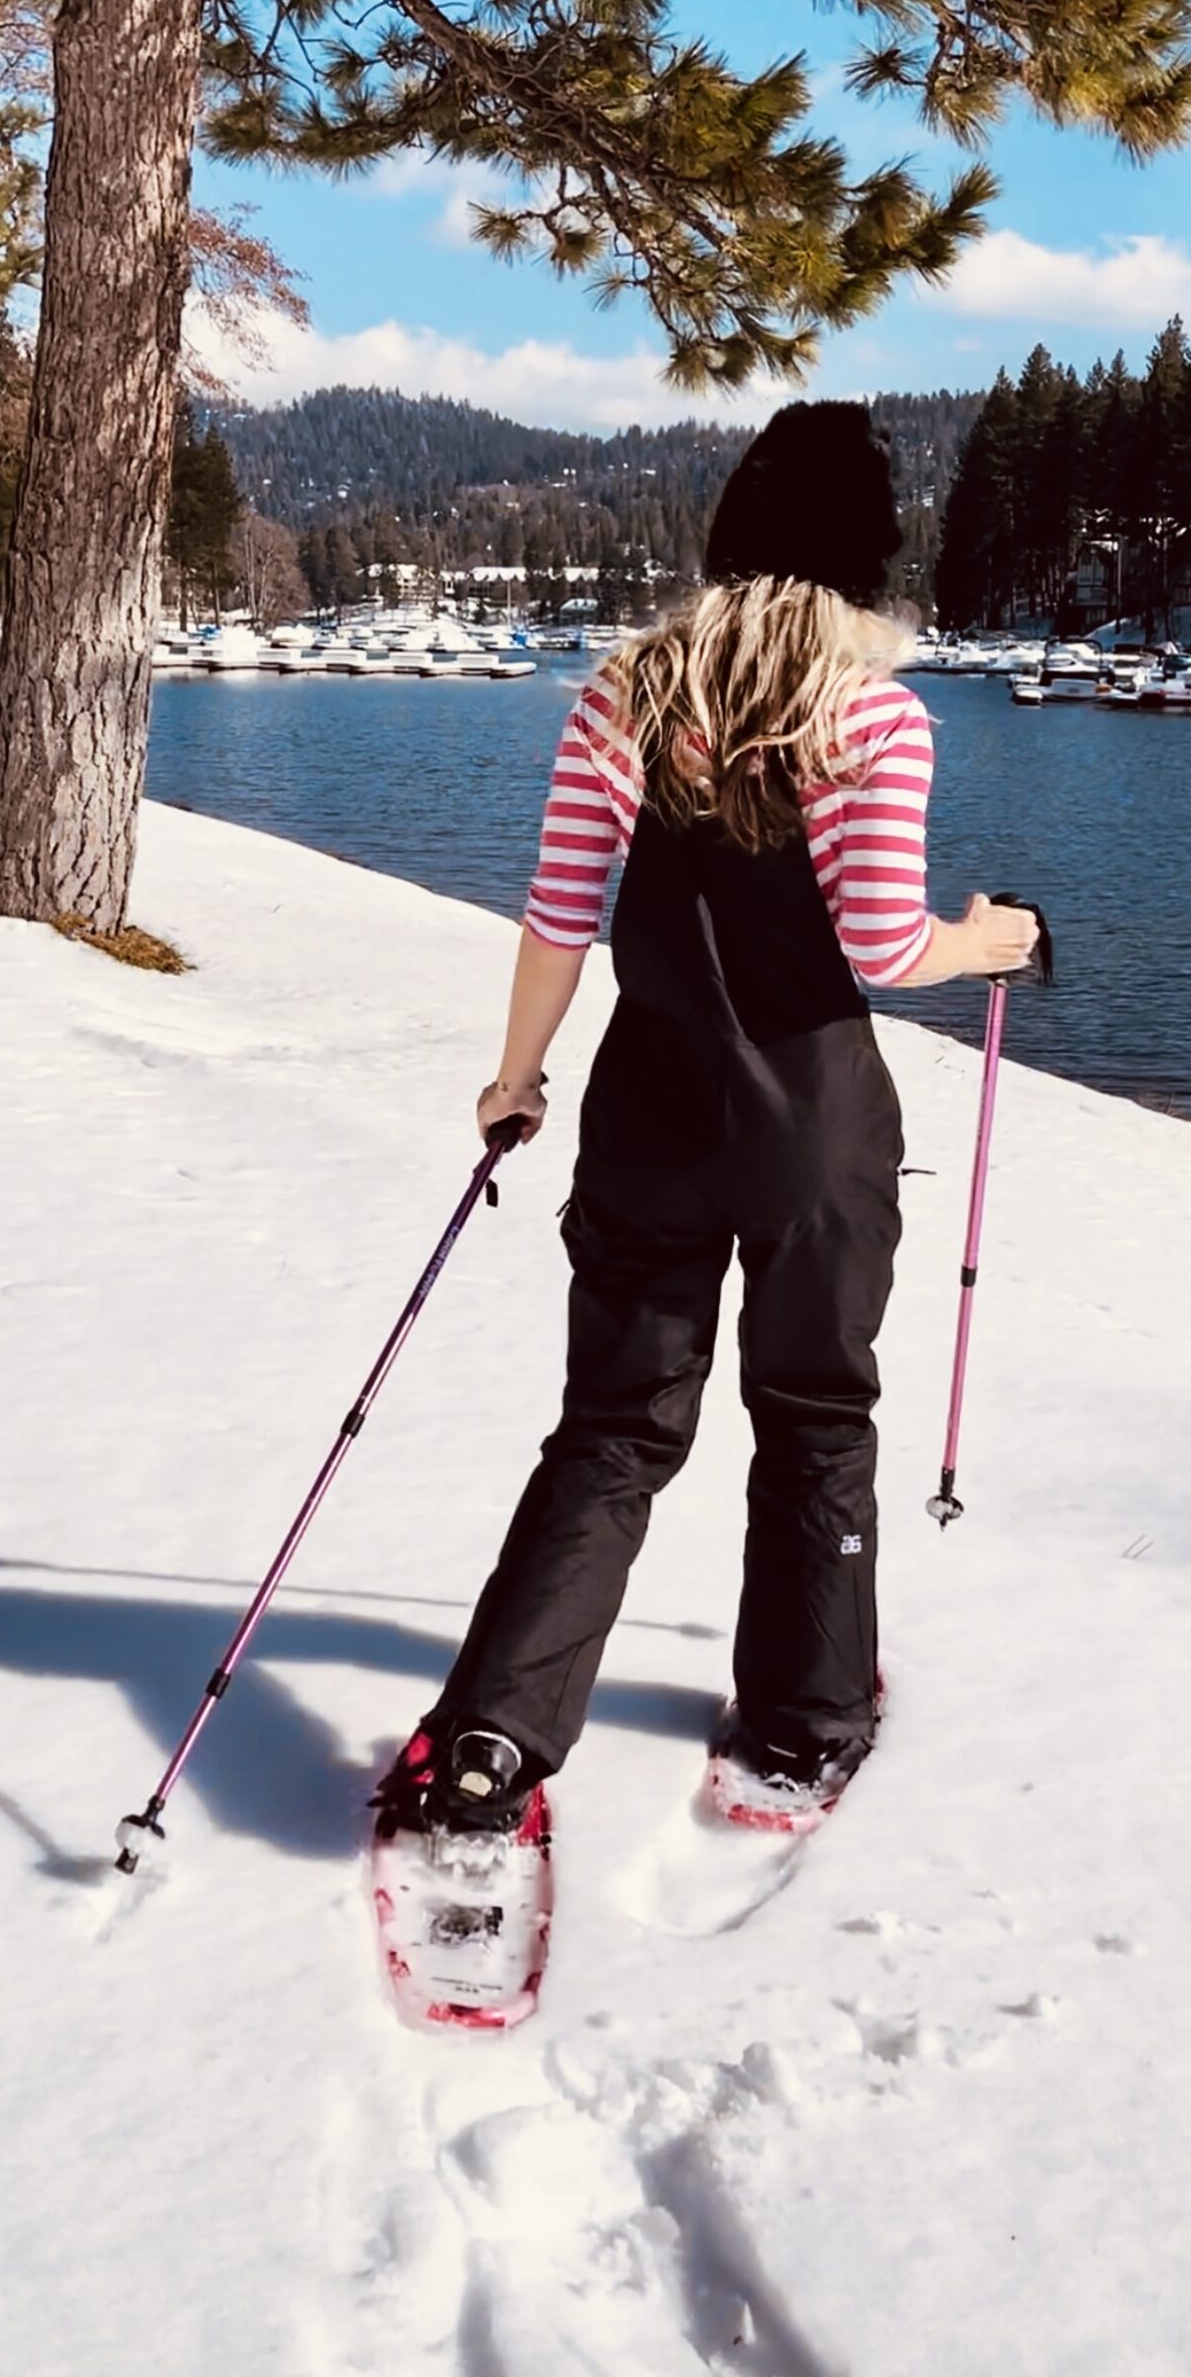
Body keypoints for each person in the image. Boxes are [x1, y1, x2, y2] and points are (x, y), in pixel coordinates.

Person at [377, 401, 1038, 1841]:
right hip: (810, 1126)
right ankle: (803, 1722)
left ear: (729, 539)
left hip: (648, 1108)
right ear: (866, 559)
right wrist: (984, 942)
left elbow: (560, 917)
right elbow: (878, 945)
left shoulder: (622, 692)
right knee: (811, 1414)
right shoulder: (871, 713)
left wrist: (514, 1078)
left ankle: (490, 1738)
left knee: (612, 1426)